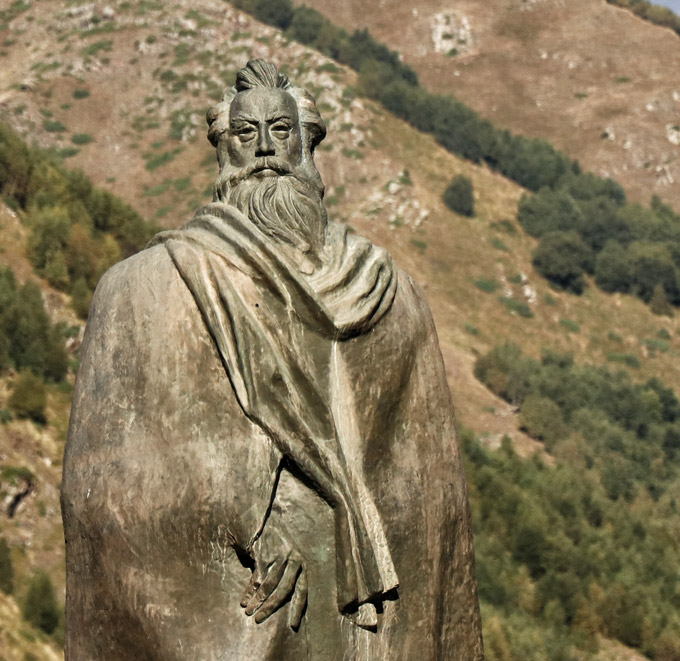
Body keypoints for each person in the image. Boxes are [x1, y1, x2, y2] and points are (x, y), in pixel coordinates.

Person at [62, 59, 481, 660]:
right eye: (245, 134)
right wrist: (248, 526)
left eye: (280, 132)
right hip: (248, 594)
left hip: (371, 612)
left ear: (309, 142)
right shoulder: (148, 286)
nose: (263, 148)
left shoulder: (394, 297)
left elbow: (430, 492)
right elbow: (108, 484)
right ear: (223, 150)